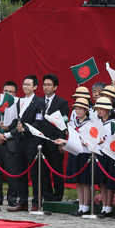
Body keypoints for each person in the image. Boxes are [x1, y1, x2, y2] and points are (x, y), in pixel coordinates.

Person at [6, 75, 45, 212]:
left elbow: (39, 121)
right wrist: (7, 127)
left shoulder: (39, 102)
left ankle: (36, 201)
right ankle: (22, 202)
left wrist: (26, 129)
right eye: (24, 84)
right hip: (19, 141)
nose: (26, 87)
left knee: (34, 173)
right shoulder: (19, 101)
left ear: (35, 87)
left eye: (29, 84)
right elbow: (17, 119)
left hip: (32, 141)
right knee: (20, 172)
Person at [55, 98, 93, 216]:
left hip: (85, 153)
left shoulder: (90, 123)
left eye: (80, 109)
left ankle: (86, 206)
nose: (77, 111)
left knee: (85, 181)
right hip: (75, 152)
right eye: (76, 108)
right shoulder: (74, 122)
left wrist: (68, 142)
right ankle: (81, 206)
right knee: (78, 182)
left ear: (86, 110)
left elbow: (89, 141)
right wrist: (66, 140)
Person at [39, 74, 69, 202]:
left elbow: (64, 123)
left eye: (49, 85)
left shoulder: (62, 103)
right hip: (40, 142)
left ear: (55, 87)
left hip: (55, 142)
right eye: (44, 84)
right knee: (43, 171)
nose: (46, 87)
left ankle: (57, 197)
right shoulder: (39, 101)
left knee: (57, 171)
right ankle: (47, 196)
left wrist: (61, 143)